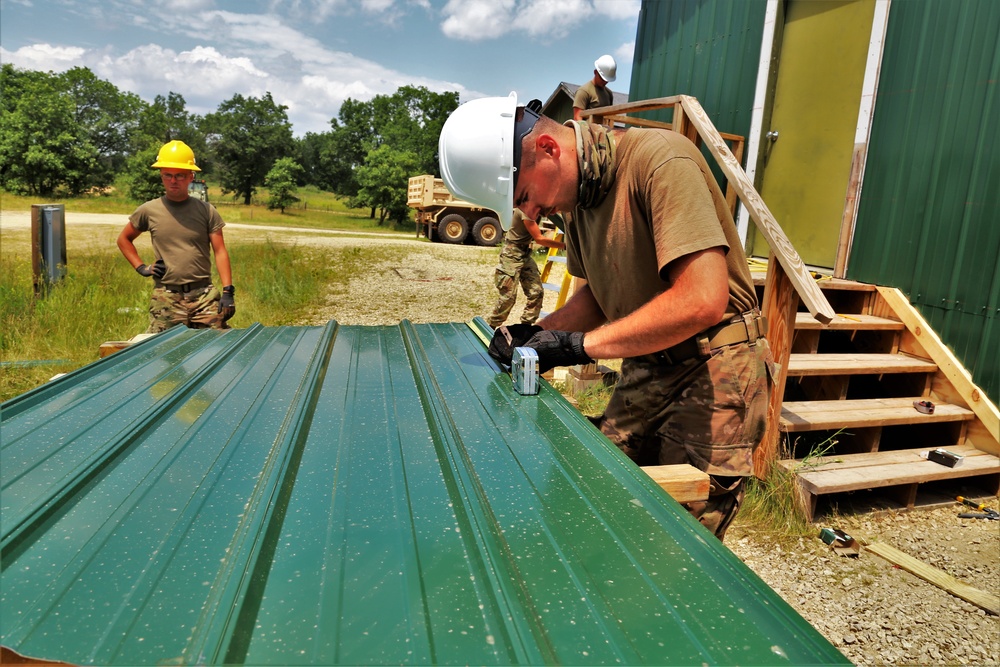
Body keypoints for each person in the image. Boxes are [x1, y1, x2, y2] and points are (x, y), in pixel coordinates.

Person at [437, 94, 772, 541]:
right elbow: (596, 297)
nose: (529, 215)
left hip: (715, 365)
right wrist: (538, 335)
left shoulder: (661, 161)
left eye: (523, 197)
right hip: (650, 363)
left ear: (548, 150)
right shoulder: (577, 200)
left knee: (679, 543)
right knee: (594, 495)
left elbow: (701, 300)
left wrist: (578, 347)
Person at [117, 140, 236, 333]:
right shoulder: (149, 210)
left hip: (204, 297)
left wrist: (228, 291)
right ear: (161, 176)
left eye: (180, 175)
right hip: (166, 298)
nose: (173, 181)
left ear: (191, 176)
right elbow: (124, 240)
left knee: (216, 349)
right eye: (168, 175)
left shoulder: (207, 211)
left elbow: (220, 250)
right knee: (164, 354)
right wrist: (142, 267)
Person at [487, 208, 566, 329]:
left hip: (524, 254)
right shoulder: (526, 209)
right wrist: (565, 246)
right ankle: (490, 326)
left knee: (536, 292)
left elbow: (556, 210)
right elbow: (539, 238)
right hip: (511, 254)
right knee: (508, 297)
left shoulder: (540, 206)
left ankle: (525, 328)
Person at [573, 54, 617, 121]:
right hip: (587, 130)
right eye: (602, 79)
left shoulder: (609, 93)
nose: (604, 82)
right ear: (595, 72)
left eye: (607, 80)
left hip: (604, 130)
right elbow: (577, 117)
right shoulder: (583, 91)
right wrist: (586, 131)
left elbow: (609, 117)